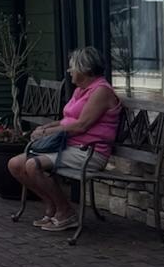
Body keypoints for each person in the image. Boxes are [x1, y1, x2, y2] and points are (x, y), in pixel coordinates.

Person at [7, 45, 121, 232]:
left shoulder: (101, 91)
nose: (69, 72)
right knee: (15, 164)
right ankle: (51, 206)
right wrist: (47, 127)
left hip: (90, 151)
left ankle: (65, 212)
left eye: (72, 67)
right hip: (68, 146)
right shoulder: (81, 90)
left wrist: (46, 134)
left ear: (84, 68)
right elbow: (67, 119)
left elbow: (81, 125)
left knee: (32, 165)